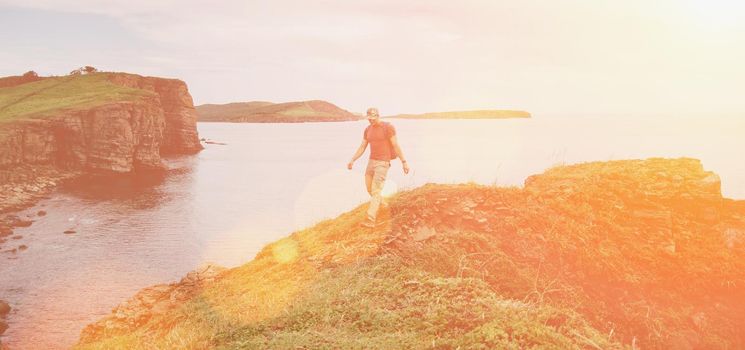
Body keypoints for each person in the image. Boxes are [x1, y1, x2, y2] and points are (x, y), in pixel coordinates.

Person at [347, 107, 410, 227]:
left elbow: (396, 145)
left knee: (376, 190)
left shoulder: (388, 127)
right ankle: (385, 206)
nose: (370, 120)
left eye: (372, 118)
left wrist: (404, 162)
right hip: (371, 162)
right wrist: (353, 160)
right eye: (368, 118)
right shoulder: (367, 129)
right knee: (369, 189)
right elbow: (362, 147)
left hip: (383, 163)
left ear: (378, 115)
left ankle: (371, 219)